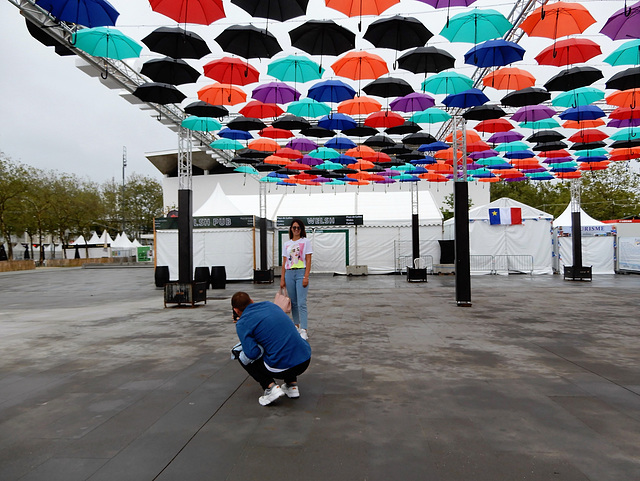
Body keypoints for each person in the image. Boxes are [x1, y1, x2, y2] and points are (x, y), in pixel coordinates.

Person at [231, 291, 312, 406]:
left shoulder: (243, 323)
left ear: (236, 310)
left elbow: (252, 354)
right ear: (252, 301)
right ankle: (291, 385)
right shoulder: (270, 305)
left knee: (239, 353)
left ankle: (270, 387)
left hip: (284, 367)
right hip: (304, 359)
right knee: (282, 341)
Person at [280, 219, 313, 340]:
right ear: (291, 229)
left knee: (301, 302)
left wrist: (306, 276)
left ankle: (304, 329)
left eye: (298, 228)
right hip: (289, 273)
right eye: (294, 228)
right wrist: (282, 278)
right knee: (293, 303)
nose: (296, 230)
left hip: (301, 272)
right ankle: (296, 325)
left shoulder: (306, 242)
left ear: (302, 229)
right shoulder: (286, 244)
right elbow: (284, 262)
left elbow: (308, 259)